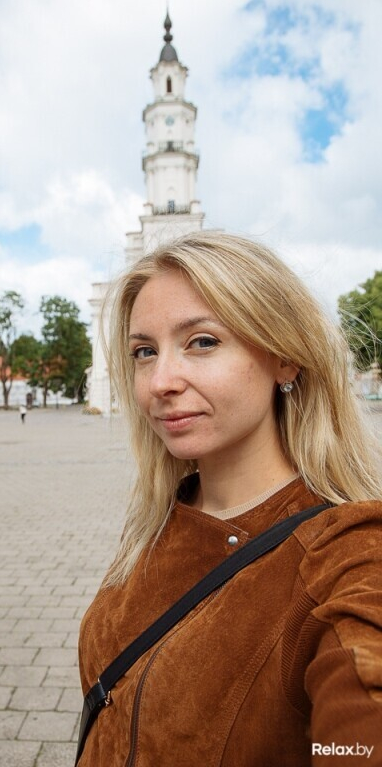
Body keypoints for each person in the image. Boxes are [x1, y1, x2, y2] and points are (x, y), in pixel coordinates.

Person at [77, 231, 382, 766]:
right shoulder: (160, 518)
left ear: (285, 357)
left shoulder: (346, 553)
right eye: (144, 352)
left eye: (202, 342)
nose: (160, 382)